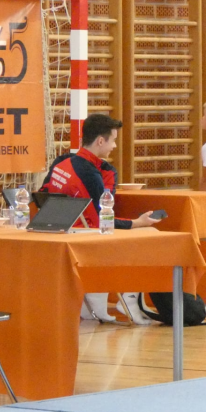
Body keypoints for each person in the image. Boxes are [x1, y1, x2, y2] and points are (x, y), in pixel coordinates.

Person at [41, 113, 161, 323]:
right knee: (150, 235)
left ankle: (94, 306)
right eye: (113, 140)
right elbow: (102, 221)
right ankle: (131, 298)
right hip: (83, 236)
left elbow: (41, 197)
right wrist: (137, 222)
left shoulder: (61, 163)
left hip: (60, 230)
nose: (114, 146)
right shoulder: (89, 174)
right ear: (100, 141)